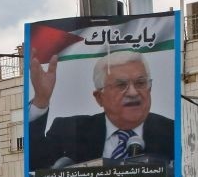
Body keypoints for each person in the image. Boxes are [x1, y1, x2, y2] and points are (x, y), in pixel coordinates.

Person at [28, 50, 175, 170]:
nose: (133, 92)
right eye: (121, 85)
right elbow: (36, 168)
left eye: (140, 83)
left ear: (150, 88)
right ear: (99, 97)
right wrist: (41, 100)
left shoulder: (172, 132)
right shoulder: (70, 131)